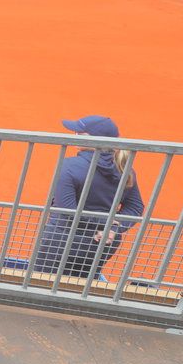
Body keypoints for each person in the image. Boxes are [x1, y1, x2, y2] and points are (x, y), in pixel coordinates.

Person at [33, 116, 144, 278]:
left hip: (61, 240)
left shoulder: (68, 166)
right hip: (102, 243)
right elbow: (135, 207)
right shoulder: (125, 169)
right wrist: (111, 228)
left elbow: (67, 211)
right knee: (81, 291)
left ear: (92, 140)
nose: (75, 135)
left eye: (79, 133)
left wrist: (105, 224)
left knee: (41, 284)